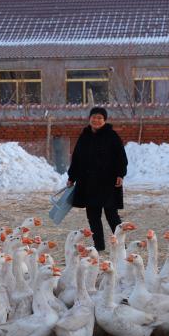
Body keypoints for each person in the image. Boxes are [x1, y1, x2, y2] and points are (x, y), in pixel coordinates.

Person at [67, 107, 128, 251]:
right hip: (88, 183)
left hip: (108, 183)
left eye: (100, 118)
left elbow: (121, 158)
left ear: (104, 120)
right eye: (94, 117)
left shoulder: (112, 136)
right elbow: (76, 158)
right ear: (90, 119)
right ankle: (99, 246)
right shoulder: (85, 136)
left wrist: (120, 174)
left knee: (112, 216)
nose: (96, 120)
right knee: (93, 217)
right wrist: (72, 177)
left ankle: (121, 247)